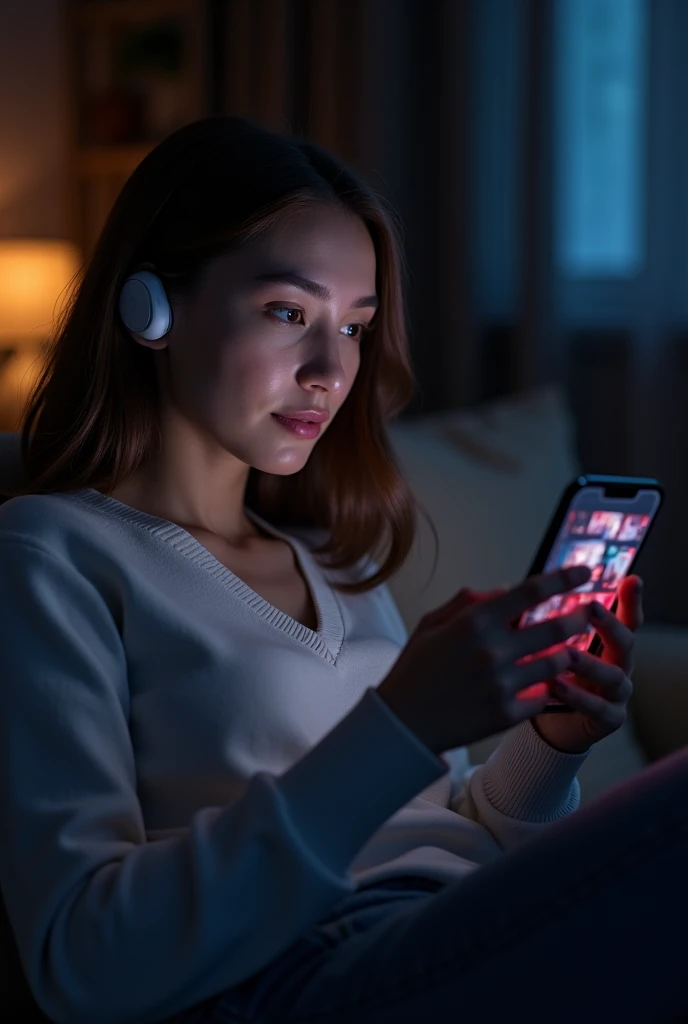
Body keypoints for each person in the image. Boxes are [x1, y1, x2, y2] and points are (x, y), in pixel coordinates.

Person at [0, 115, 685, 1024]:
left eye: (355, 327)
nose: (332, 369)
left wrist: (549, 747)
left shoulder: (336, 561)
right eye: (289, 312)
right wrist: (398, 723)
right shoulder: (54, 555)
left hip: (446, 932)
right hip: (305, 971)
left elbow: (445, 832)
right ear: (150, 309)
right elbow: (84, 957)